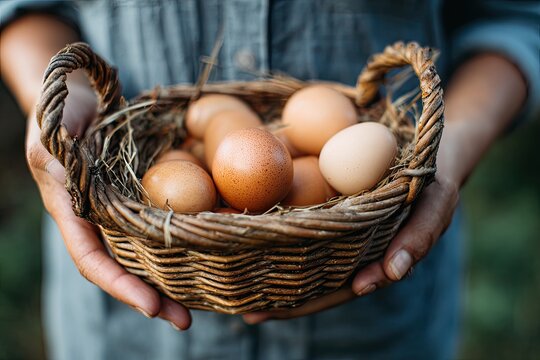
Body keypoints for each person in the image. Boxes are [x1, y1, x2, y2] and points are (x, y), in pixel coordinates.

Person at [1, 1, 538, 359]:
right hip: (129, 321)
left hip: (374, 312)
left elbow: (516, 16)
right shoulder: (204, 152)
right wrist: (60, 101)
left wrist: (444, 155)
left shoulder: (288, 149)